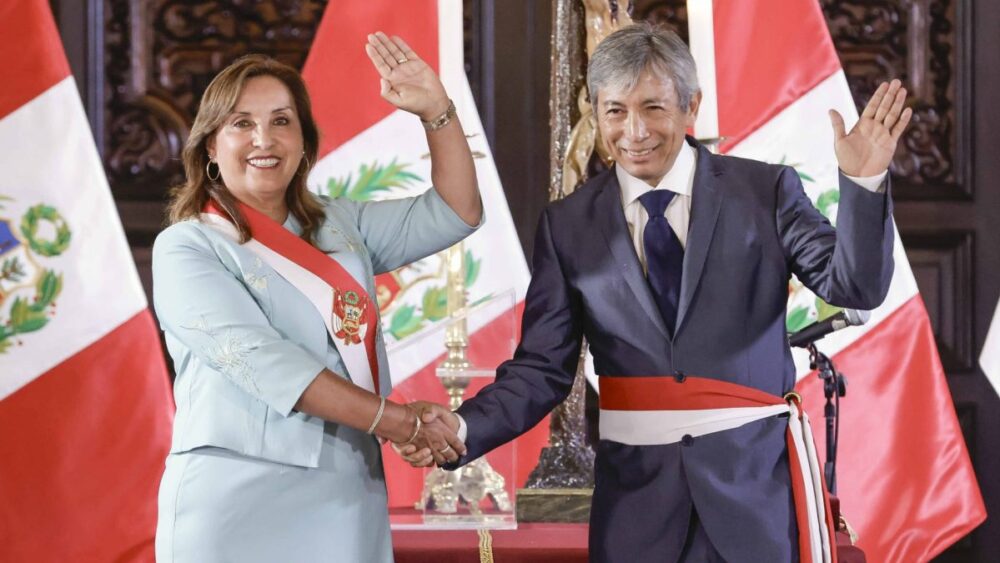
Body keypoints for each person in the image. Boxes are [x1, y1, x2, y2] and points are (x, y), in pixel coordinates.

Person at [400, 24, 911, 562]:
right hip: (635, 510)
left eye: (653, 108)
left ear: (692, 106)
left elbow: (854, 287)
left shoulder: (766, 192)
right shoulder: (568, 224)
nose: (634, 131)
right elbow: (542, 370)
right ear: (596, 113)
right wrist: (462, 427)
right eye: (615, 111)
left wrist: (864, 183)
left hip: (753, 500)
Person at [152, 32, 478, 563]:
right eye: (241, 123)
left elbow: (456, 212)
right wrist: (399, 422)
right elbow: (266, 363)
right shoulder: (187, 246)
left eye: (282, 121)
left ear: (304, 140)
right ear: (211, 145)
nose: (264, 139)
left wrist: (436, 112)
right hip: (235, 495)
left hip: (347, 489)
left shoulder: (340, 225)